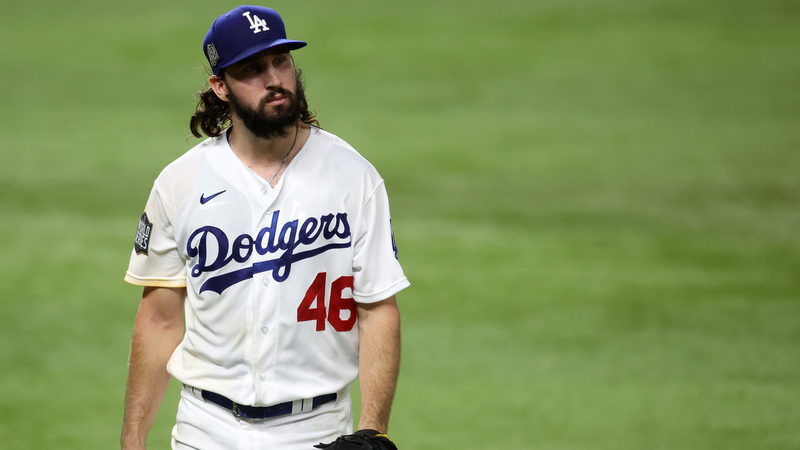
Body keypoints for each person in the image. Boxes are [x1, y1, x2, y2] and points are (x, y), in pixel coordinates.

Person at [120, 6, 409, 450]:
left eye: (281, 61)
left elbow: (377, 308)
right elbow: (159, 319)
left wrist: (372, 430)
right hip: (205, 430)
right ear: (220, 87)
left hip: (318, 431)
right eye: (253, 69)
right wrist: (133, 439)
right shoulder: (180, 182)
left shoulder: (353, 176)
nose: (274, 78)